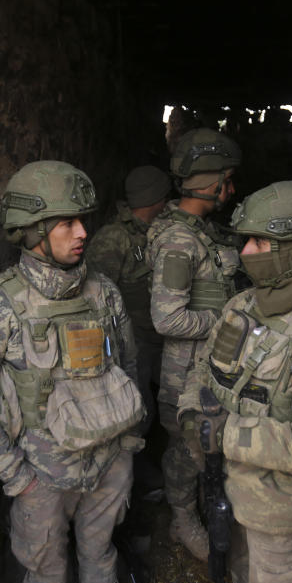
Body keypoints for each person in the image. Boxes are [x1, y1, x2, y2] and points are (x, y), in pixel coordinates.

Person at [0, 161, 144, 583]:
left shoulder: (105, 293)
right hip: (41, 480)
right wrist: (19, 479)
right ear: (33, 231)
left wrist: (129, 443)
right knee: (46, 574)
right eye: (67, 223)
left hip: (109, 461)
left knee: (100, 557)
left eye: (83, 221)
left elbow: (130, 366)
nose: (82, 233)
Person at [178, 181, 292, 583]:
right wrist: (189, 413)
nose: (245, 253)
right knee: (239, 576)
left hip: (277, 513)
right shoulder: (241, 305)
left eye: (259, 241)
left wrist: (224, 433)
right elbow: (204, 372)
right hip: (223, 483)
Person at [146, 127, 242, 561]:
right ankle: (183, 520)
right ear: (211, 182)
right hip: (186, 369)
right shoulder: (179, 240)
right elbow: (168, 318)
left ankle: (205, 510)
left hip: (211, 364)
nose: (232, 188)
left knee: (208, 448)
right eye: (228, 178)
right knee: (187, 451)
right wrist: (227, 322)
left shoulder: (201, 230)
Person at [86, 165, 172, 431]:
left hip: (162, 336)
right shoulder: (114, 238)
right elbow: (95, 295)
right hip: (132, 342)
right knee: (138, 411)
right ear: (156, 200)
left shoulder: (160, 230)